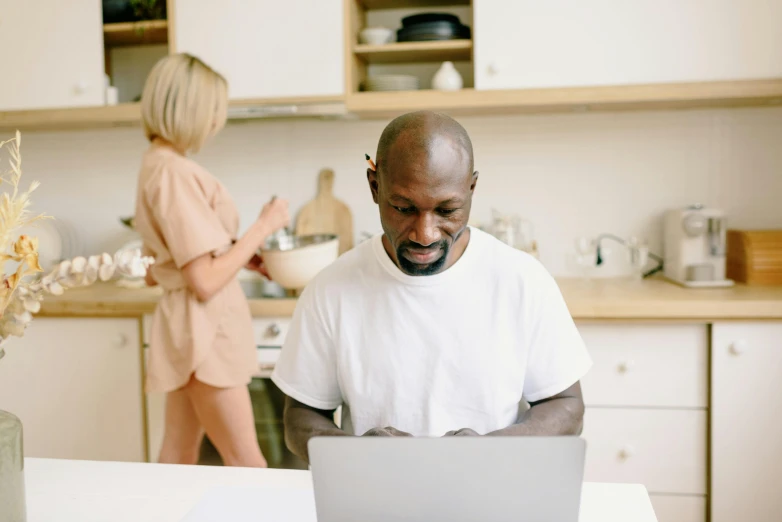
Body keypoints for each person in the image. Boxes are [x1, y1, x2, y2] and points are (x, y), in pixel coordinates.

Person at [271, 110, 592, 463]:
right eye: (404, 207)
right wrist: (354, 454)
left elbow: (566, 406)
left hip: (492, 500)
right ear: (375, 187)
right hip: (376, 505)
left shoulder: (522, 281)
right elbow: (299, 417)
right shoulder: (330, 289)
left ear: (471, 188)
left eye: (447, 210)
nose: (425, 234)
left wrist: (494, 449)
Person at [134, 53, 289, 467]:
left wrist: (235, 254)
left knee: (178, 455)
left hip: (186, 327)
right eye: (215, 111)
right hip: (206, 332)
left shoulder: (156, 165)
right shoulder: (175, 172)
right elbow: (202, 279)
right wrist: (264, 225)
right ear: (192, 110)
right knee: (249, 464)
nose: (216, 122)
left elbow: (162, 267)